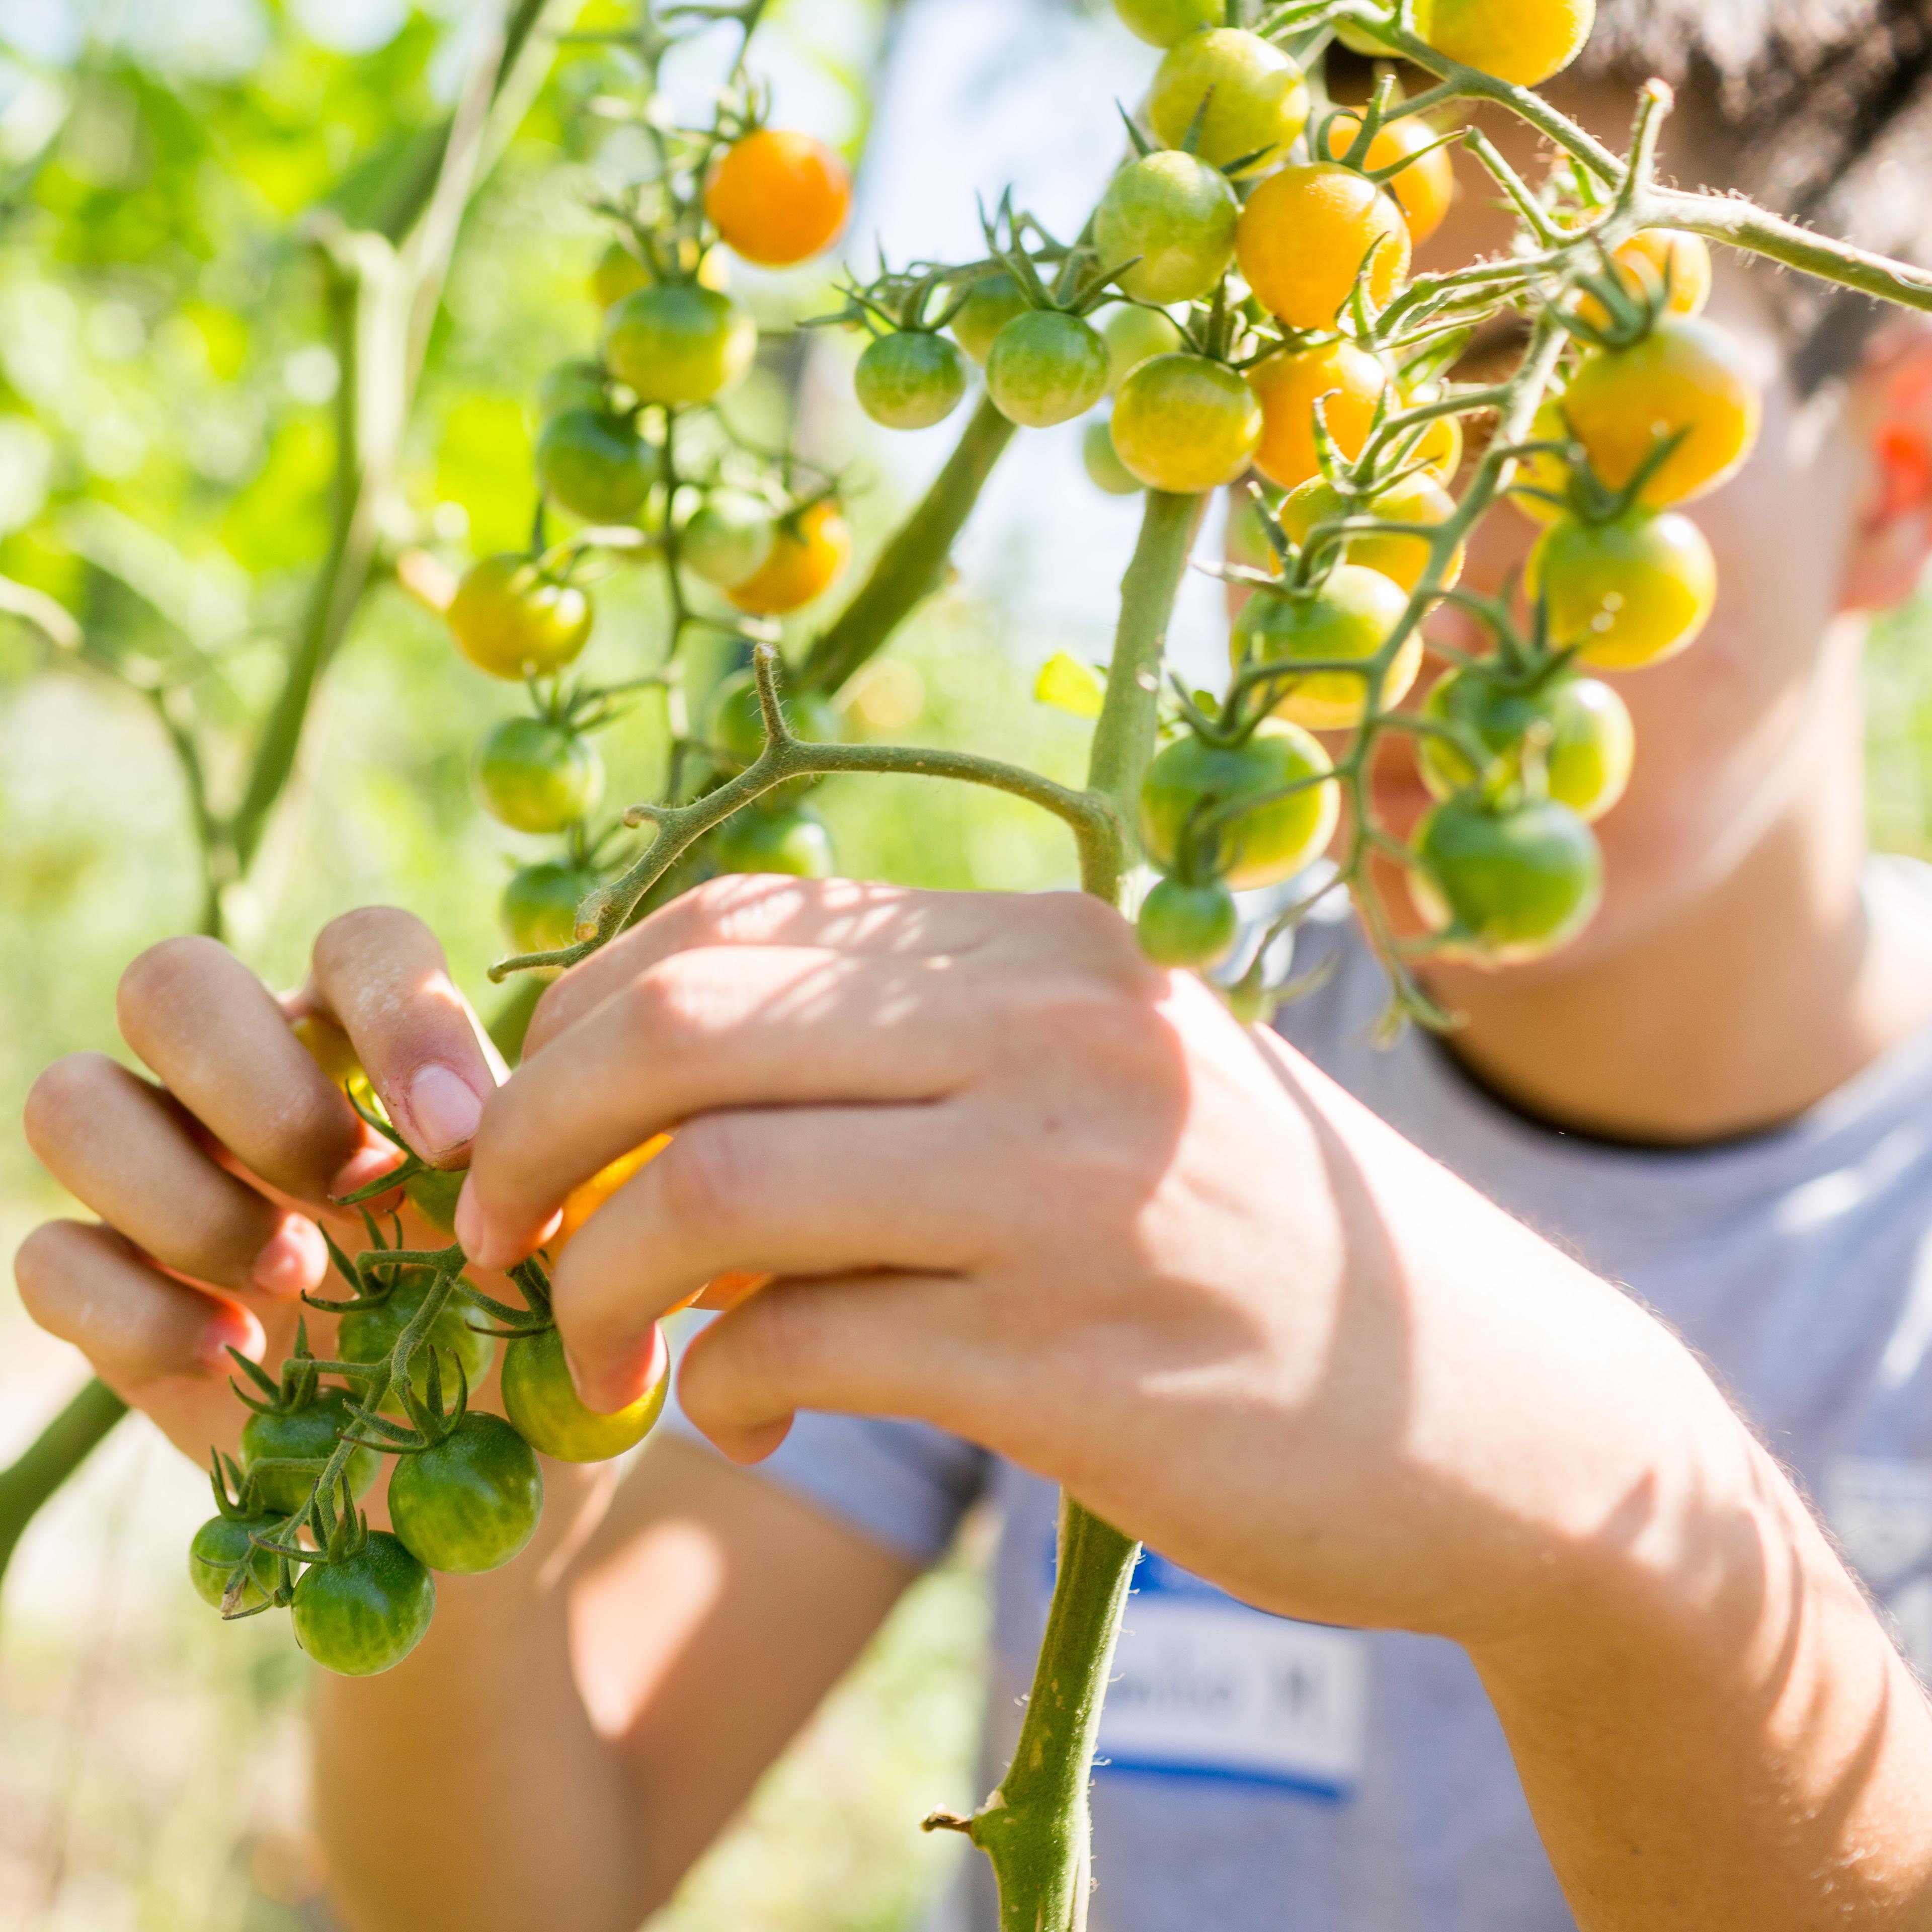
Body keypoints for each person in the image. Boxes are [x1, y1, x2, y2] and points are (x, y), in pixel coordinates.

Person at [18, 8, 1932, 1927]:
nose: (1384, 522)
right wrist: (434, 1475)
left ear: (1899, 474)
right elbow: (531, 1889)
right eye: (1312, 390)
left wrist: (1621, 1513)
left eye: (1516, 379)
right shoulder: (1103, 1109)